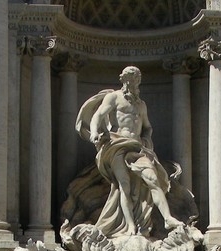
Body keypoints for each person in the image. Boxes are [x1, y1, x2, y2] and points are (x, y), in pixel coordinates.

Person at [76, 66, 183, 237]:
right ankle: (130, 227)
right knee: (123, 185)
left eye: (136, 79)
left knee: (153, 179)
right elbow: (98, 115)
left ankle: (168, 217)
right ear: (123, 80)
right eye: (130, 79)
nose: (134, 83)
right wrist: (94, 132)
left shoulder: (141, 105)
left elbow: (147, 127)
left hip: (138, 147)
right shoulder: (114, 97)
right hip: (116, 144)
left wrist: (147, 141)